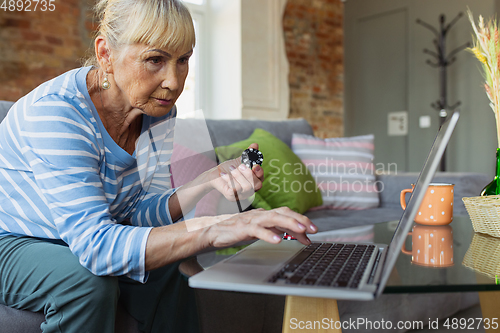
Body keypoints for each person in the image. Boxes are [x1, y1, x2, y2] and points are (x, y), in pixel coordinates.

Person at [0, 0, 317, 332]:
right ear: (106, 53)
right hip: (14, 239)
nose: (174, 82)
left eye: (183, 60)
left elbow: (135, 210)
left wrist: (206, 181)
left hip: (75, 237)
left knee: (169, 262)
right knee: (87, 283)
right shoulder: (58, 115)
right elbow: (96, 247)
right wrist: (212, 228)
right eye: (155, 60)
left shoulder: (158, 112)